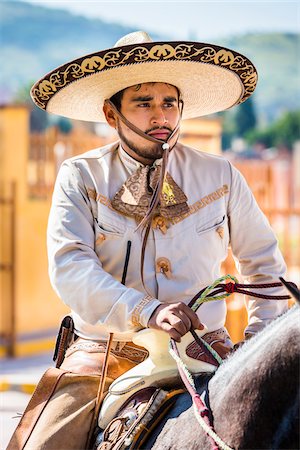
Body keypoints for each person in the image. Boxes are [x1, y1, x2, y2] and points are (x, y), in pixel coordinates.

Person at [9, 31, 288, 450]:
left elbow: (264, 264)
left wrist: (260, 346)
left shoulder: (222, 176)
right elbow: (70, 267)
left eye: (169, 102)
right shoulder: (81, 175)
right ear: (111, 113)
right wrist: (147, 311)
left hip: (206, 352)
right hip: (104, 358)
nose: (160, 116)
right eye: (143, 103)